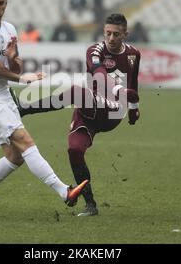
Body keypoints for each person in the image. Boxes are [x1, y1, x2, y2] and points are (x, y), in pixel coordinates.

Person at [0, 0, 88, 219]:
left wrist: (13, 58)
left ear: (6, 3)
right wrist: (22, 78)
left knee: (15, 156)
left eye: (2, 3)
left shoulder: (9, 29)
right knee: (24, 140)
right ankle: (64, 192)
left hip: (2, 95)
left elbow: (13, 63)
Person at [17, 13, 141, 217]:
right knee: (75, 149)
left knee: (75, 91)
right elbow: (99, 73)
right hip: (90, 107)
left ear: (125, 34)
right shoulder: (95, 50)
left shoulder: (134, 54)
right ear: (104, 32)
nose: (111, 38)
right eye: (108, 33)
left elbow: (133, 82)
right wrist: (120, 91)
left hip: (113, 111)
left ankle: (23, 108)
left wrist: (134, 108)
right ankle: (90, 205)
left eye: (116, 34)